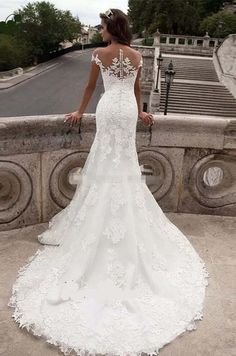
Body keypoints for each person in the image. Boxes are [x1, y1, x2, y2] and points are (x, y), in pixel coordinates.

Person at [8, 8, 209, 356]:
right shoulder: (135, 55)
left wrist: (79, 111)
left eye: (101, 26)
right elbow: (137, 87)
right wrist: (142, 110)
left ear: (109, 28)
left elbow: (89, 87)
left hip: (107, 110)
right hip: (127, 113)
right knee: (124, 160)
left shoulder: (100, 55)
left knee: (104, 158)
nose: (99, 31)